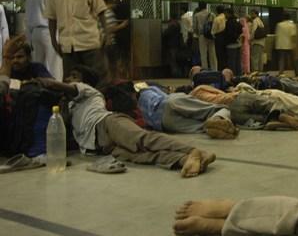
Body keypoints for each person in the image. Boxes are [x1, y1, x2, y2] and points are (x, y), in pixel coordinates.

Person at [37, 65, 216, 177]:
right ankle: (183, 160)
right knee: (143, 156)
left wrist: (40, 81)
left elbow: (56, 85)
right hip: (99, 146)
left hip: (108, 124)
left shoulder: (88, 91)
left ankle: (196, 151)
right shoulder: (70, 106)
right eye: (68, 76)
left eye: (74, 76)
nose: (69, 79)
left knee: (143, 139)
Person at [45, 0, 108, 82]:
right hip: (68, 48)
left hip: (90, 45)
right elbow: (52, 18)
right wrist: (53, 42)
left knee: (96, 82)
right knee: (70, 85)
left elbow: (101, 11)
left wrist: (106, 35)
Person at [136, 86, 238, 139]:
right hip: (168, 103)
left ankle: (216, 125)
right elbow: (166, 97)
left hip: (163, 123)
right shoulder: (147, 90)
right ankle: (220, 118)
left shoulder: (135, 114)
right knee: (215, 109)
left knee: (203, 126)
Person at [24, 0, 62, 80]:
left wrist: (29, 39)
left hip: (35, 32)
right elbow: (57, 13)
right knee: (54, 63)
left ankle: (38, 86)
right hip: (48, 31)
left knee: (38, 63)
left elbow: (26, 20)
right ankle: (57, 88)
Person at [103, 0, 129, 81]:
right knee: (113, 63)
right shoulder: (108, 12)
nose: (115, 4)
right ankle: (114, 80)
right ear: (110, 2)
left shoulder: (102, 12)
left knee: (110, 63)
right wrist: (122, 25)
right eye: (114, 2)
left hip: (104, 42)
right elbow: (110, 29)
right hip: (109, 42)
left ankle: (112, 80)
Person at [275, 12, 298, 77]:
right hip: (289, 44)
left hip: (280, 44)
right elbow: (293, 35)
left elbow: (277, 35)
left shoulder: (279, 25)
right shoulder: (292, 25)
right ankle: (297, 72)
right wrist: (294, 44)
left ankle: (281, 72)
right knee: (293, 59)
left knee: (281, 59)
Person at [193, 2, 217, 71]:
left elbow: (195, 27)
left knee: (203, 54)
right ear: (206, 6)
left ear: (199, 7)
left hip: (202, 35)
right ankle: (214, 69)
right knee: (212, 53)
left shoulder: (197, 15)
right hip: (211, 35)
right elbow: (215, 25)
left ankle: (205, 70)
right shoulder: (212, 14)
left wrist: (197, 34)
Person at [163, 13, 184, 78]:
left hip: (172, 44)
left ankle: (175, 74)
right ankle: (178, 73)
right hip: (177, 44)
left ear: (171, 18)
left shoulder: (172, 25)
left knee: (173, 60)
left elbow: (166, 33)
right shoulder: (178, 24)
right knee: (176, 60)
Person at [224, 9, 242, 76]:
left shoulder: (229, 22)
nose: (225, 15)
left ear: (229, 14)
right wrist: (237, 37)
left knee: (232, 62)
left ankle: (232, 76)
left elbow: (229, 34)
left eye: (226, 13)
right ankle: (239, 76)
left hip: (231, 45)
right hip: (238, 44)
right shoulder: (237, 21)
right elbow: (240, 29)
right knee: (238, 62)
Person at [211, 5, 227, 71]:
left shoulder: (217, 19)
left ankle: (220, 69)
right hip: (226, 37)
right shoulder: (226, 18)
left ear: (217, 11)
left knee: (219, 55)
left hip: (218, 37)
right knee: (224, 55)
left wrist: (213, 35)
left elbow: (213, 31)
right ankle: (225, 69)